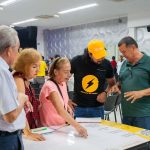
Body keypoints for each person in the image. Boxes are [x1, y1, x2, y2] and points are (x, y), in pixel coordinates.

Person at [39, 57, 88, 138]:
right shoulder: (49, 86)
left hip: (62, 127)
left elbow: (63, 101)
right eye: (66, 72)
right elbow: (60, 111)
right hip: (50, 129)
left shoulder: (63, 83)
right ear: (55, 72)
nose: (69, 75)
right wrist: (78, 126)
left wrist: (67, 106)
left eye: (69, 71)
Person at [111, 36, 150, 129]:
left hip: (144, 114)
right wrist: (117, 86)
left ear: (133, 48)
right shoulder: (125, 63)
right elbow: (121, 81)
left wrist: (142, 93)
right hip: (126, 114)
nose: (122, 55)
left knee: (144, 142)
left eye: (124, 51)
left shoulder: (148, 62)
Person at [70, 39, 116, 118]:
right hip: (78, 107)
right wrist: (66, 99)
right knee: (78, 130)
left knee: (97, 130)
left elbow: (112, 82)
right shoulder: (77, 61)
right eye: (98, 56)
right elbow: (63, 80)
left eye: (102, 55)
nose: (101, 58)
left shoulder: (106, 64)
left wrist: (105, 92)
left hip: (97, 107)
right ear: (90, 54)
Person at [0, 25, 29, 149]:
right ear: (9, 50)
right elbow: (10, 116)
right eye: (17, 49)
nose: (18, 53)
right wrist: (22, 98)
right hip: (6, 139)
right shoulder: (2, 72)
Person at [13, 48, 45, 141]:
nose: (38, 70)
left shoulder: (25, 79)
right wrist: (27, 132)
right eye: (34, 67)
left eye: (38, 66)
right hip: (22, 130)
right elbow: (19, 108)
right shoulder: (18, 79)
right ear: (23, 66)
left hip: (28, 125)